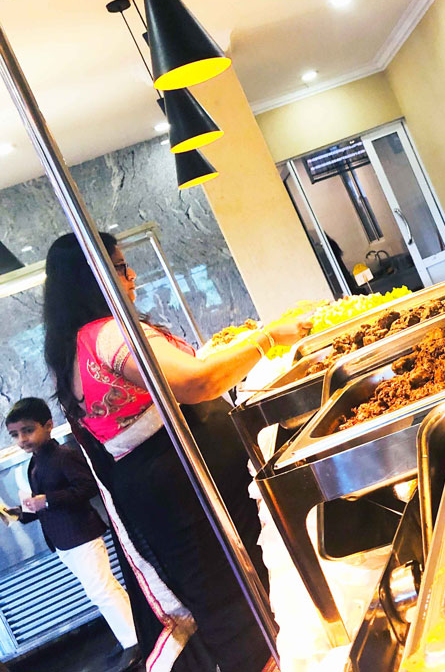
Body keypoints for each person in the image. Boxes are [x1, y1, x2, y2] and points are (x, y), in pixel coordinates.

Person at [42, 231, 309, 672]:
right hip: (185, 487)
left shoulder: (73, 346)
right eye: (121, 267)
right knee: (241, 591)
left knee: (225, 596)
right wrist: (267, 339)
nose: (131, 277)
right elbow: (197, 382)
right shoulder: (107, 334)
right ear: (95, 275)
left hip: (164, 489)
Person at [4, 398, 140, 669]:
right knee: (101, 590)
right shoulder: (37, 461)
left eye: (28, 430)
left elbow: (88, 486)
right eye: (15, 435)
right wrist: (18, 513)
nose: (22, 439)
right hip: (64, 540)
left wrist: (47, 501)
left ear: (48, 425)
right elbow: (43, 504)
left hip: (81, 534)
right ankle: (132, 633)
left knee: (102, 590)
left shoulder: (63, 455)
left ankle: (135, 640)